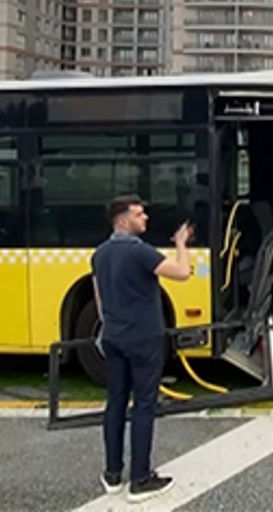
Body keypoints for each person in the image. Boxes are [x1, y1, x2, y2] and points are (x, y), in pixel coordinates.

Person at [92, 195, 193, 502]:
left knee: (115, 402)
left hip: (113, 336)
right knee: (145, 404)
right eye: (139, 214)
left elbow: (99, 299)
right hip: (144, 338)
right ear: (123, 220)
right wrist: (181, 244)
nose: (145, 218)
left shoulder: (100, 254)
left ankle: (112, 473)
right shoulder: (140, 252)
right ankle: (140, 478)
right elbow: (182, 273)